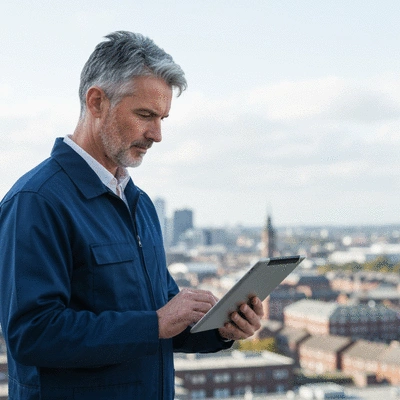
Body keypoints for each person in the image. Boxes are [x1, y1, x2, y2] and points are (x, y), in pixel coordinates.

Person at [0, 31, 263, 399]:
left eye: (162, 119)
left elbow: (165, 320)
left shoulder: (139, 204)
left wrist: (222, 330)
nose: (156, 134)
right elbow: (32, 334)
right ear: (96, 102)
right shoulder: (36, 201)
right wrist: (154, 324)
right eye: (145, 115)